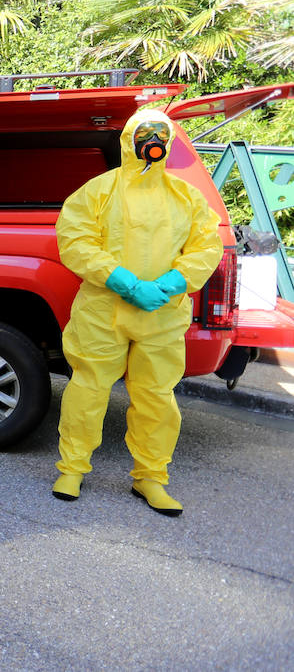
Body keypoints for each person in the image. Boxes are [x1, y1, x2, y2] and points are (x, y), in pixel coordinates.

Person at [52, 110, 222, 516]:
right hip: (103, 311)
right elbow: (74, 240)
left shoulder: (186, 197)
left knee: (156, 399)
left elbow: (206, 247)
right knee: (88, 390)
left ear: (169, 141)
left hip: (161, 316)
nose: (152, 140)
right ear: (130, 139)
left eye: (160, 134)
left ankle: (151, 477)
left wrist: (171, 284)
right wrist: (125, 282)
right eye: (145, 133)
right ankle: (72, 468)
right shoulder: (98, 190)